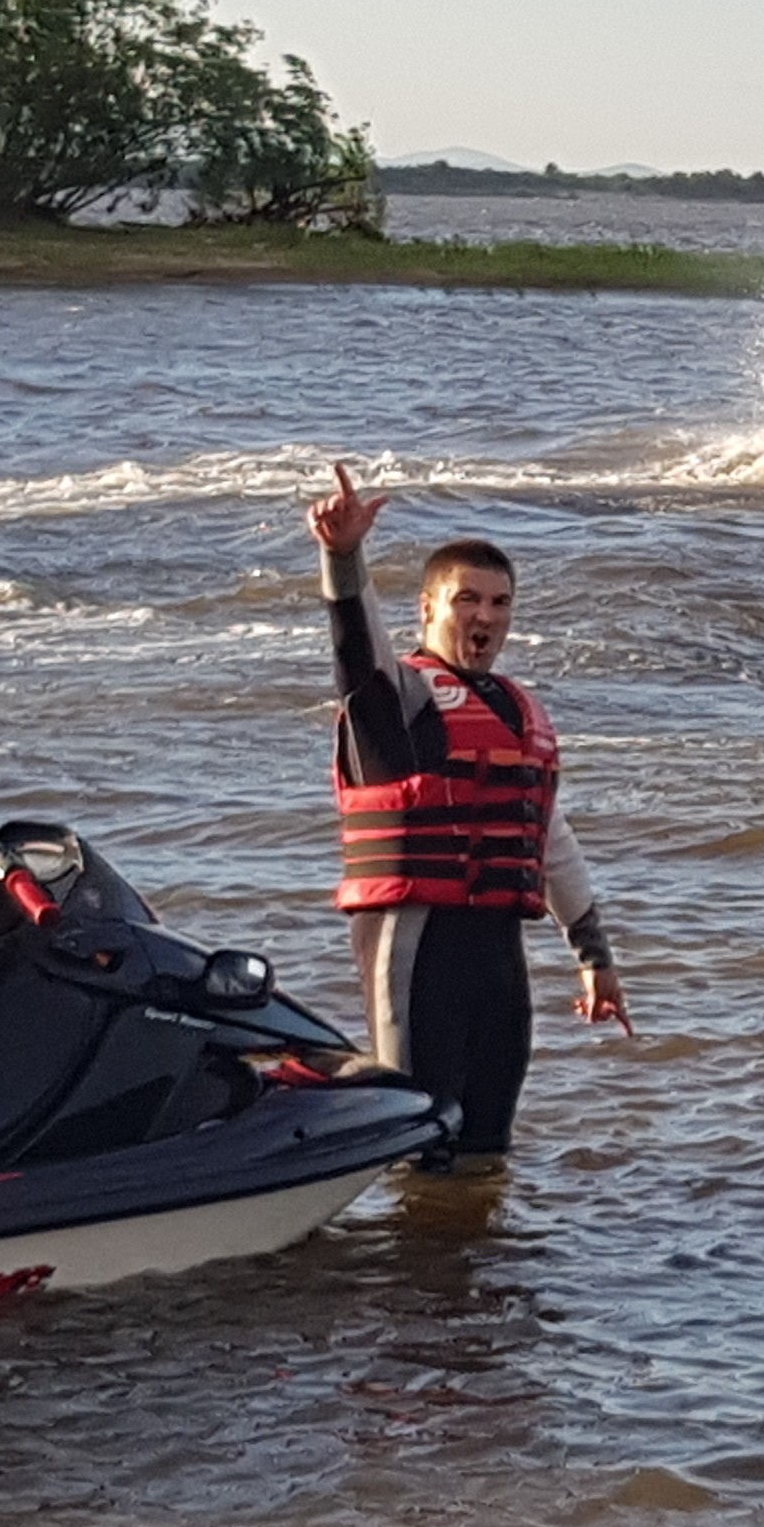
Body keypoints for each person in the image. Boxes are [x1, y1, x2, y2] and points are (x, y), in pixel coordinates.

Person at [305, 461, 626, 1172]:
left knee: (487, 1152)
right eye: (466, 600)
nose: (485, 616)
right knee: (422, 1144)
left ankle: (478, 1244)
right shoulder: (398, 701)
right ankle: (409, 1245)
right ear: (428, 608)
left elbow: (548, 836)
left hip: (497, 957)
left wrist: (593, 955)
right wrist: (343, 558)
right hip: (418, 949)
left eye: (500, 602)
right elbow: (354, 651)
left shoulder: (519, 710)